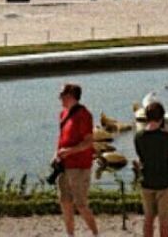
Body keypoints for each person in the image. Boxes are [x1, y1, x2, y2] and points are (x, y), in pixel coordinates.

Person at [54, 82, 98, 236]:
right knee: (65, 201)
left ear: (70, 96)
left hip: (79, 166)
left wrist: (70, 151)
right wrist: (57, 154)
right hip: (64, 165)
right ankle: (70, 233)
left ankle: (95, 233)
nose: (60, 99)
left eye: (62, 96)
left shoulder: (84, 115)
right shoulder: (63, 114)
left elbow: (88, 142)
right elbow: (61, 138)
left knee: (80, 204)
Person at [134, 100, 168, 237]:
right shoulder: (167, 137)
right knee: (164, 222)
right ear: (161, 117)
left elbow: (141, 156)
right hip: (164, 183)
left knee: (148, 219)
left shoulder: (138, 137)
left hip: (147, 182)